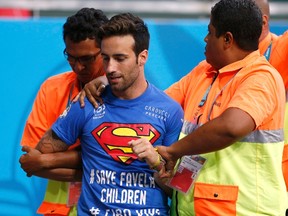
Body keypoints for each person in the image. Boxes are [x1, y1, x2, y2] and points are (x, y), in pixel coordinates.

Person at [79, 0, 287, 215]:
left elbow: (231, 127)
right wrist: (110, 79)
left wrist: (172, 151)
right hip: (191, 207)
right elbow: (152, 104)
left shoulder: (261, 77)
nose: (205, 39)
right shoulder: (204, 71)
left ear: (227, 39)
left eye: (210, 32)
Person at [21, 13, 184, 215]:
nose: (110, 68)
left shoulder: (170, 110)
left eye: (120, 58)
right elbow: (36, 157)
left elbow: (179, 190)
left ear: (142, 57)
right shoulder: (84, 103)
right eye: (106, 58)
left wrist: (157, 163)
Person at [19, 8, 108, 216]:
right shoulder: (52, 88)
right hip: (57, 211)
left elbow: (114, 161)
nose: (77, 67)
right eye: (71, 57)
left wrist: (47, 160)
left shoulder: (123, 93)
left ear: (106, 50)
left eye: (86, 59)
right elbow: (32, 160)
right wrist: (40, 162)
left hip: (107, 208)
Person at [255, 0, 288, 196]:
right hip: (246, 183)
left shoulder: (280, 49)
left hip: (279, 176)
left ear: (263, 22)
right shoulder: (209, 66)